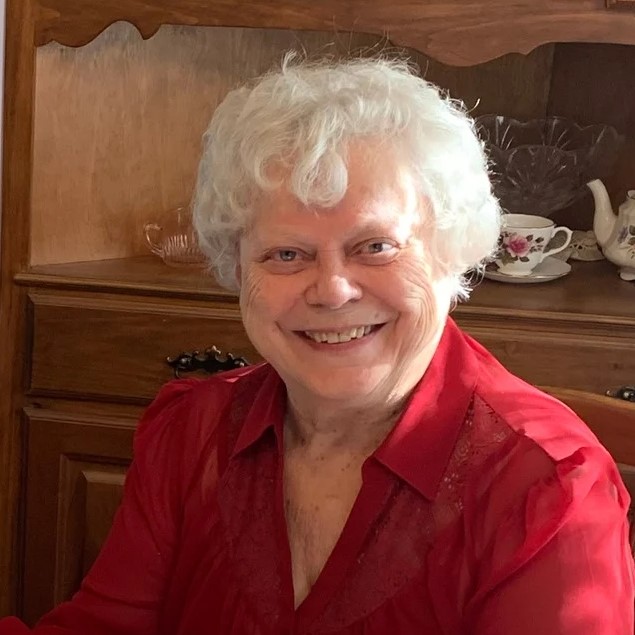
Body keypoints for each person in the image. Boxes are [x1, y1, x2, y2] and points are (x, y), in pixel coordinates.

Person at [1, 55, 633, 635]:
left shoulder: (546, 491)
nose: (331, 290)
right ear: (238, 269)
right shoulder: (193, 433)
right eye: (286, 253)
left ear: (452, 249)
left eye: (376, 246)